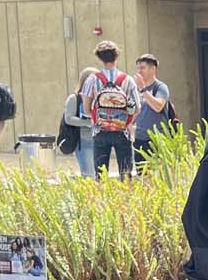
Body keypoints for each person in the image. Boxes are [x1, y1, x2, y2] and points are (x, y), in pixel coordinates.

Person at [81, 42, 139, 179]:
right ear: (117, 57)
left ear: (100, 58)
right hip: (122, 132)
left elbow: (86, 109)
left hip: (100, 131)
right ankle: (126, 199)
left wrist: (101, 118)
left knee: (101, 175)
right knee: (125, 174)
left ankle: (103, 199)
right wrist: (125, 121)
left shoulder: (92, 79)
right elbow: (137, 107)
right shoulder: (127, 80)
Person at [132, 54, 171, 169]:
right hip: (139, 138)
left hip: (156, 139)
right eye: (138, 68)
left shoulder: (160, 87)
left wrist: (143, 90)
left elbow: (158, 106)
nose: (139, 71)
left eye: (142, 68)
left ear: (153, 69)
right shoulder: (136, 89)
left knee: (156, 173)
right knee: (141, 174)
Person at [62, 67, 99, 177]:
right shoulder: (74, 98)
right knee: (89, 176)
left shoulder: (98, 98)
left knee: (99, 177)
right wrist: (88, 122)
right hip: (84, 143)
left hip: (99, 143)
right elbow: (68, 118)